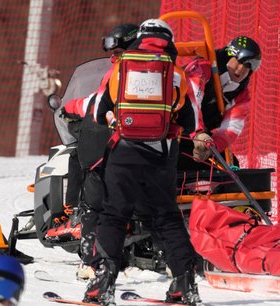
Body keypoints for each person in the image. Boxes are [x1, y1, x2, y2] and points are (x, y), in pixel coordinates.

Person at [81, 19, 204, 305]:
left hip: (123, 152)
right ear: (168, 42)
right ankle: (185, 284)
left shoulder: (121, 68)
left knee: (113, 215)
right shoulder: (177, 75)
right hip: (161, 156)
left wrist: (117, 120)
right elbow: (191, 121)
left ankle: (103, 284)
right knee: (167, 217)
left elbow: (98, 111)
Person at [47, 23, 141, 280]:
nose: (115, 57)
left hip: (114, 141)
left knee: (93, 198)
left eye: (118, 51)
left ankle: (91, 259)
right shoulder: (164, 70)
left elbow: (98, 102)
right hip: (153, 146)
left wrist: (71, 108)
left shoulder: (121, 70)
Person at [178, 36, 262, 170]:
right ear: (229, 56)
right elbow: (191, 98)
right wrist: (198, 133)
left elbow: (232, 127)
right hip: (174, 132)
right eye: (239, 62)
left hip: (198, 141)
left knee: (230, 164)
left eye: (247, 67)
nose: (240, 69)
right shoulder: (203, 68)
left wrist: (213, 146)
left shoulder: (241, 94)